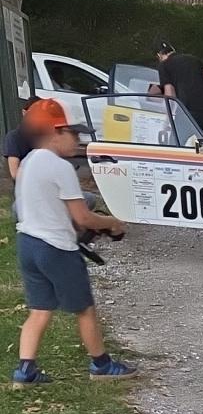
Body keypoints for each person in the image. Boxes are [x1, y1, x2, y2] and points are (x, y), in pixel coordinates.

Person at [12, 97, 131, 386]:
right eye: (73, 133)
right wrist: (112, 223)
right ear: (55, 132)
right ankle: (101, 365)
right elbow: (83, 218)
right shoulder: (59, 167)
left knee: (40, 309)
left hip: (27, 242)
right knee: (84, 308)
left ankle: (25, 370)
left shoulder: (28, 162)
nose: (77, 140)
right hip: (56, 248)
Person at [155, 40, 203, 139]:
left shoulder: (164, 65)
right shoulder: (195, 59)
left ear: (159, 55)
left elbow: (170, 95)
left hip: (186, 112)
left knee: (175, 147)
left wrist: (167, 122)